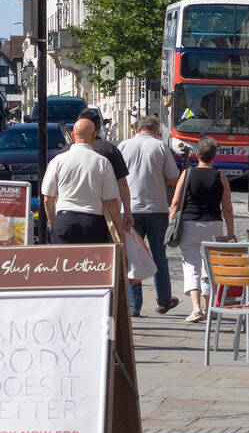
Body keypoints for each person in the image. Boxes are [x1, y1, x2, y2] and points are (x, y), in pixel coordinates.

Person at [118, 115, 181, 316]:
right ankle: (163, 300)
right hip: (156, 209)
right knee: (159, 256)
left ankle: (134, 305)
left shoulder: (124, 145)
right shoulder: (160, 147)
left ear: (138, 128)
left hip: (129, 209)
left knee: (132, 258)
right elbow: (173, 178)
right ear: (155, 129)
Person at [168, 138, 234, 322]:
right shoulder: (221, 177)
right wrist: (230, 234)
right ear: (214, 156)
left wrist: (170, 225)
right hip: (213, 225)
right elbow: (227, 209)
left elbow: (175, 203)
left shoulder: (187, 174)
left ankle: (196, 308)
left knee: (191, 265)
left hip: (189, 224)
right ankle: (209, 307)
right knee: (210, 267)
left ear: (197, 155)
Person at [41, 117, 130, 246]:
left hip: (64, 221)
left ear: (72, 135)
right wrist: (119, 232)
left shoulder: (57, 161)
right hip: (93, 223)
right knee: (92, 264)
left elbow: (47, 199)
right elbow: (111, 202)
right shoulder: (102, 163)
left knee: (64, 264)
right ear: (94, 135)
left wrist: (54, 222)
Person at [78, 108, 133, 229]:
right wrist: (127, 212)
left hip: (70, 216)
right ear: (98, 129)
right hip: (103, 216)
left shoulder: (64, 153)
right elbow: (122, 184)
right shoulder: (110, 150)